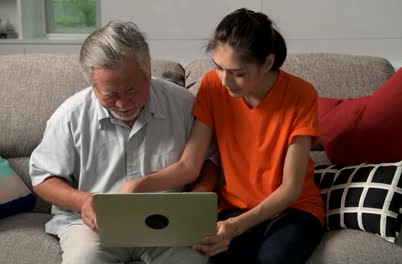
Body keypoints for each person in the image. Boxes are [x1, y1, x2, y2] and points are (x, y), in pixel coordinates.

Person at [119, 8, 324, 264]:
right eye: (219, 68)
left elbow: (291, 188)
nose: (226, 81)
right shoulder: (212, 86)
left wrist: (236, 226)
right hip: (232, 208)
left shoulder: (301, 94)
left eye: (238, 73)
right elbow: (189, 166)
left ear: (268, 63)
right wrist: (139, 185)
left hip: (292, 211)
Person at [29, 21, 218, 264]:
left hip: (167, 223)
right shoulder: (70, 116)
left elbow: (209, 160)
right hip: (93, 227)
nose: (122, 104)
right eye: (110, 95)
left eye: (131, 91)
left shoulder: (183, 105)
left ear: (147, 73)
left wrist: (197, 199)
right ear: (93, 86)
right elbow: (42, 178)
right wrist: (84, 201)